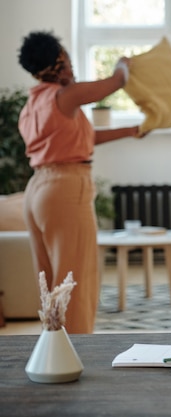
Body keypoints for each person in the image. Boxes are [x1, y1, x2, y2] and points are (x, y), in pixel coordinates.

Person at [18, 30, 145, 334]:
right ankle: (73, 354)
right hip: (64, 189)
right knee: (74, 280)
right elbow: (116, 82)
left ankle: (53, 351)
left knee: (50, 282)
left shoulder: (32, 105)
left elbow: (83, 138)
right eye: (69, 58)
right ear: (58, 61)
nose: (73, 67)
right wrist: (122, 63)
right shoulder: (64, 96)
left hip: (37, 190)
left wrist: (129, 131)